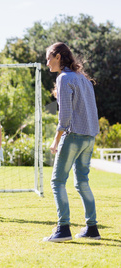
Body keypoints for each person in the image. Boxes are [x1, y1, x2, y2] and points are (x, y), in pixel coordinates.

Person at [43, 42, 101, 242]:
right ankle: (92, 229)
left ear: (58, 56)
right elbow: (92, 111)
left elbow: (65, 116)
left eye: (49, 58)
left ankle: (63, 229)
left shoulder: (63, 78)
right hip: (89, 137)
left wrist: (56, 140)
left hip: (74, 135)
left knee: (57, 181)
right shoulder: (83, 79)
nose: (47, 63)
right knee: (82, 182)